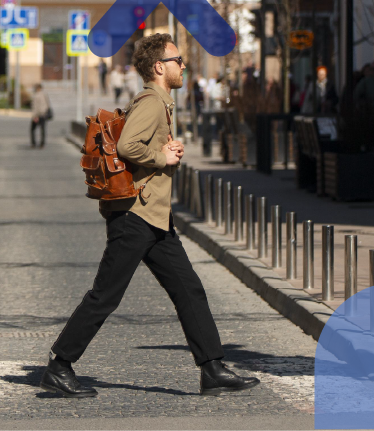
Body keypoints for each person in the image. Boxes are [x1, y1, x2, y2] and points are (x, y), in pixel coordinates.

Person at [40, 33, 259, 398]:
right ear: (160, 67)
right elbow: (128, 146)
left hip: (155, 219)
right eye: (178, 61)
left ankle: (212, 369)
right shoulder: (152, 101)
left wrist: (165, 148)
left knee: (189, 289)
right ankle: (59, 365)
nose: (183, 66)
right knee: (106, 295)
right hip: (135, 217)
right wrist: (162, 156)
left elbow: (141, 144)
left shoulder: (160, 103)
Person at [30, 83, 51, 148]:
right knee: (43, 129)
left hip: (37, 114)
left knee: (33, 129)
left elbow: (35, 107)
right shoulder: (45, 94)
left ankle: (33, 143)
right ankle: (42, 143)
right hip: (44, 114)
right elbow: (48, 104)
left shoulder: (36, 96)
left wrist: (35, 116)